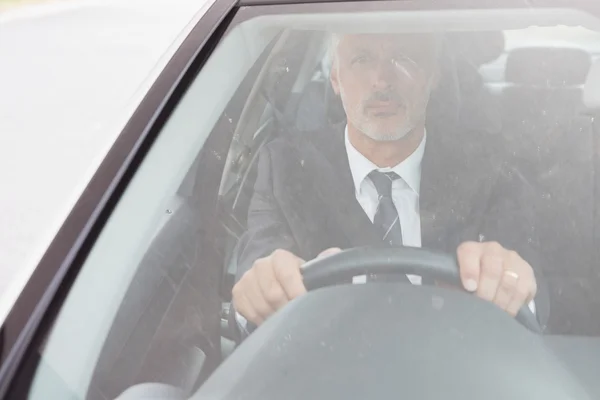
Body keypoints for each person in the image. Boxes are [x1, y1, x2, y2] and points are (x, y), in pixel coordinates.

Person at [231, 33, 544, 329]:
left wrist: (509, 284)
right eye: (362, 59)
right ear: (336, 78)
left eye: (404, 57)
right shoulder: (286, 167)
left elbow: (532, 292)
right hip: (325, 372)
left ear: (433, 75)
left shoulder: (486, 168)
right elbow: (254, 282)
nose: (382, 80)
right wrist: (261, 289)